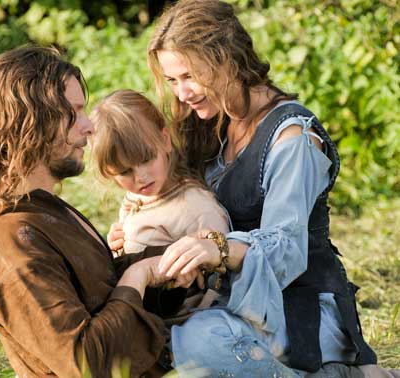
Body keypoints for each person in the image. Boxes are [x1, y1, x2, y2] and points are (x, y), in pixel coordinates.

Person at [137, 0, 382, 376]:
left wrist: (216, 249)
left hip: (301, 311)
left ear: (227, 58)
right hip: (234, 302)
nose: (182, 92)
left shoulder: (293, 138)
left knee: (200, 342)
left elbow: (286, 251)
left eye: (189, 76)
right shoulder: (209, 124)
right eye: (172, 81)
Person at [0, 46, 189, 378]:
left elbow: (100, 294)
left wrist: (176, 259)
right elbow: (86, 363)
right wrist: (139, 275)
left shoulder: (42, 207)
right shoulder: (11, 241)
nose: (89, 126)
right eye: (73, 113)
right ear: (30, 120)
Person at [89, 89, 230, 257]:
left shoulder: (198, 209)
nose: (141, 177)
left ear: (165, 140)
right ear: (109, 173)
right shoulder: (136, 198)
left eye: (147, 159)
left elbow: (223, 264)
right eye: (125, 171)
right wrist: (120, 248)